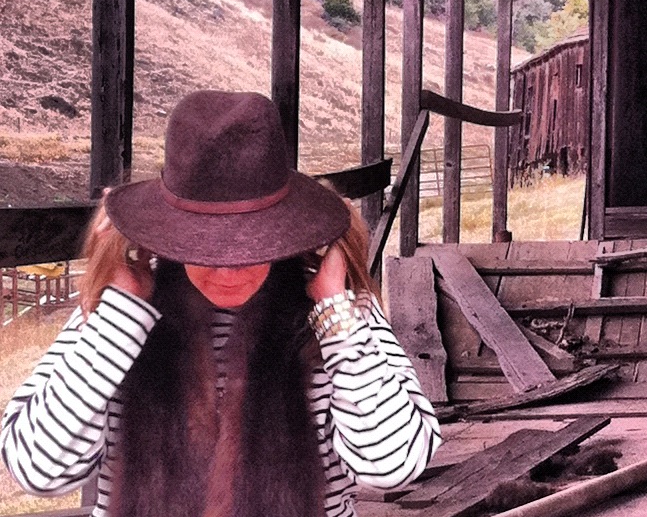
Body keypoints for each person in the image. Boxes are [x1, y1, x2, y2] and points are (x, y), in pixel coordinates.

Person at [1, 90, 441, 517]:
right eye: (205, 247)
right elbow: (39, 470)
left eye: (252, 246)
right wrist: (119, 315)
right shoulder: (114, 314)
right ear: (169, 231)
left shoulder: (340, 312)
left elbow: (393, 465)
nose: (228, 271)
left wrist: (335, 315)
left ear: (284, 231)